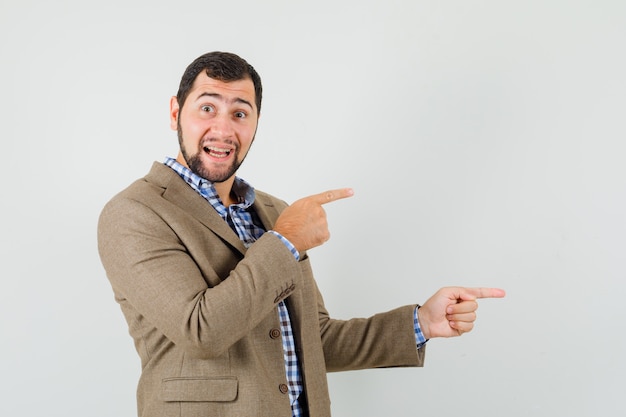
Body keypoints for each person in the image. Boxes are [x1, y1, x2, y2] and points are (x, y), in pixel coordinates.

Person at [97, 51, 505, 417]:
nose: (223, 129)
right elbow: (201, 331)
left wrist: (421, 323)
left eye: (240, 113)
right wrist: (285, 241)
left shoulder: (274, 212)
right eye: (207, 108)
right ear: (175, 113)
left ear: (256, 123)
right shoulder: (134, 212)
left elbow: (314, 338)